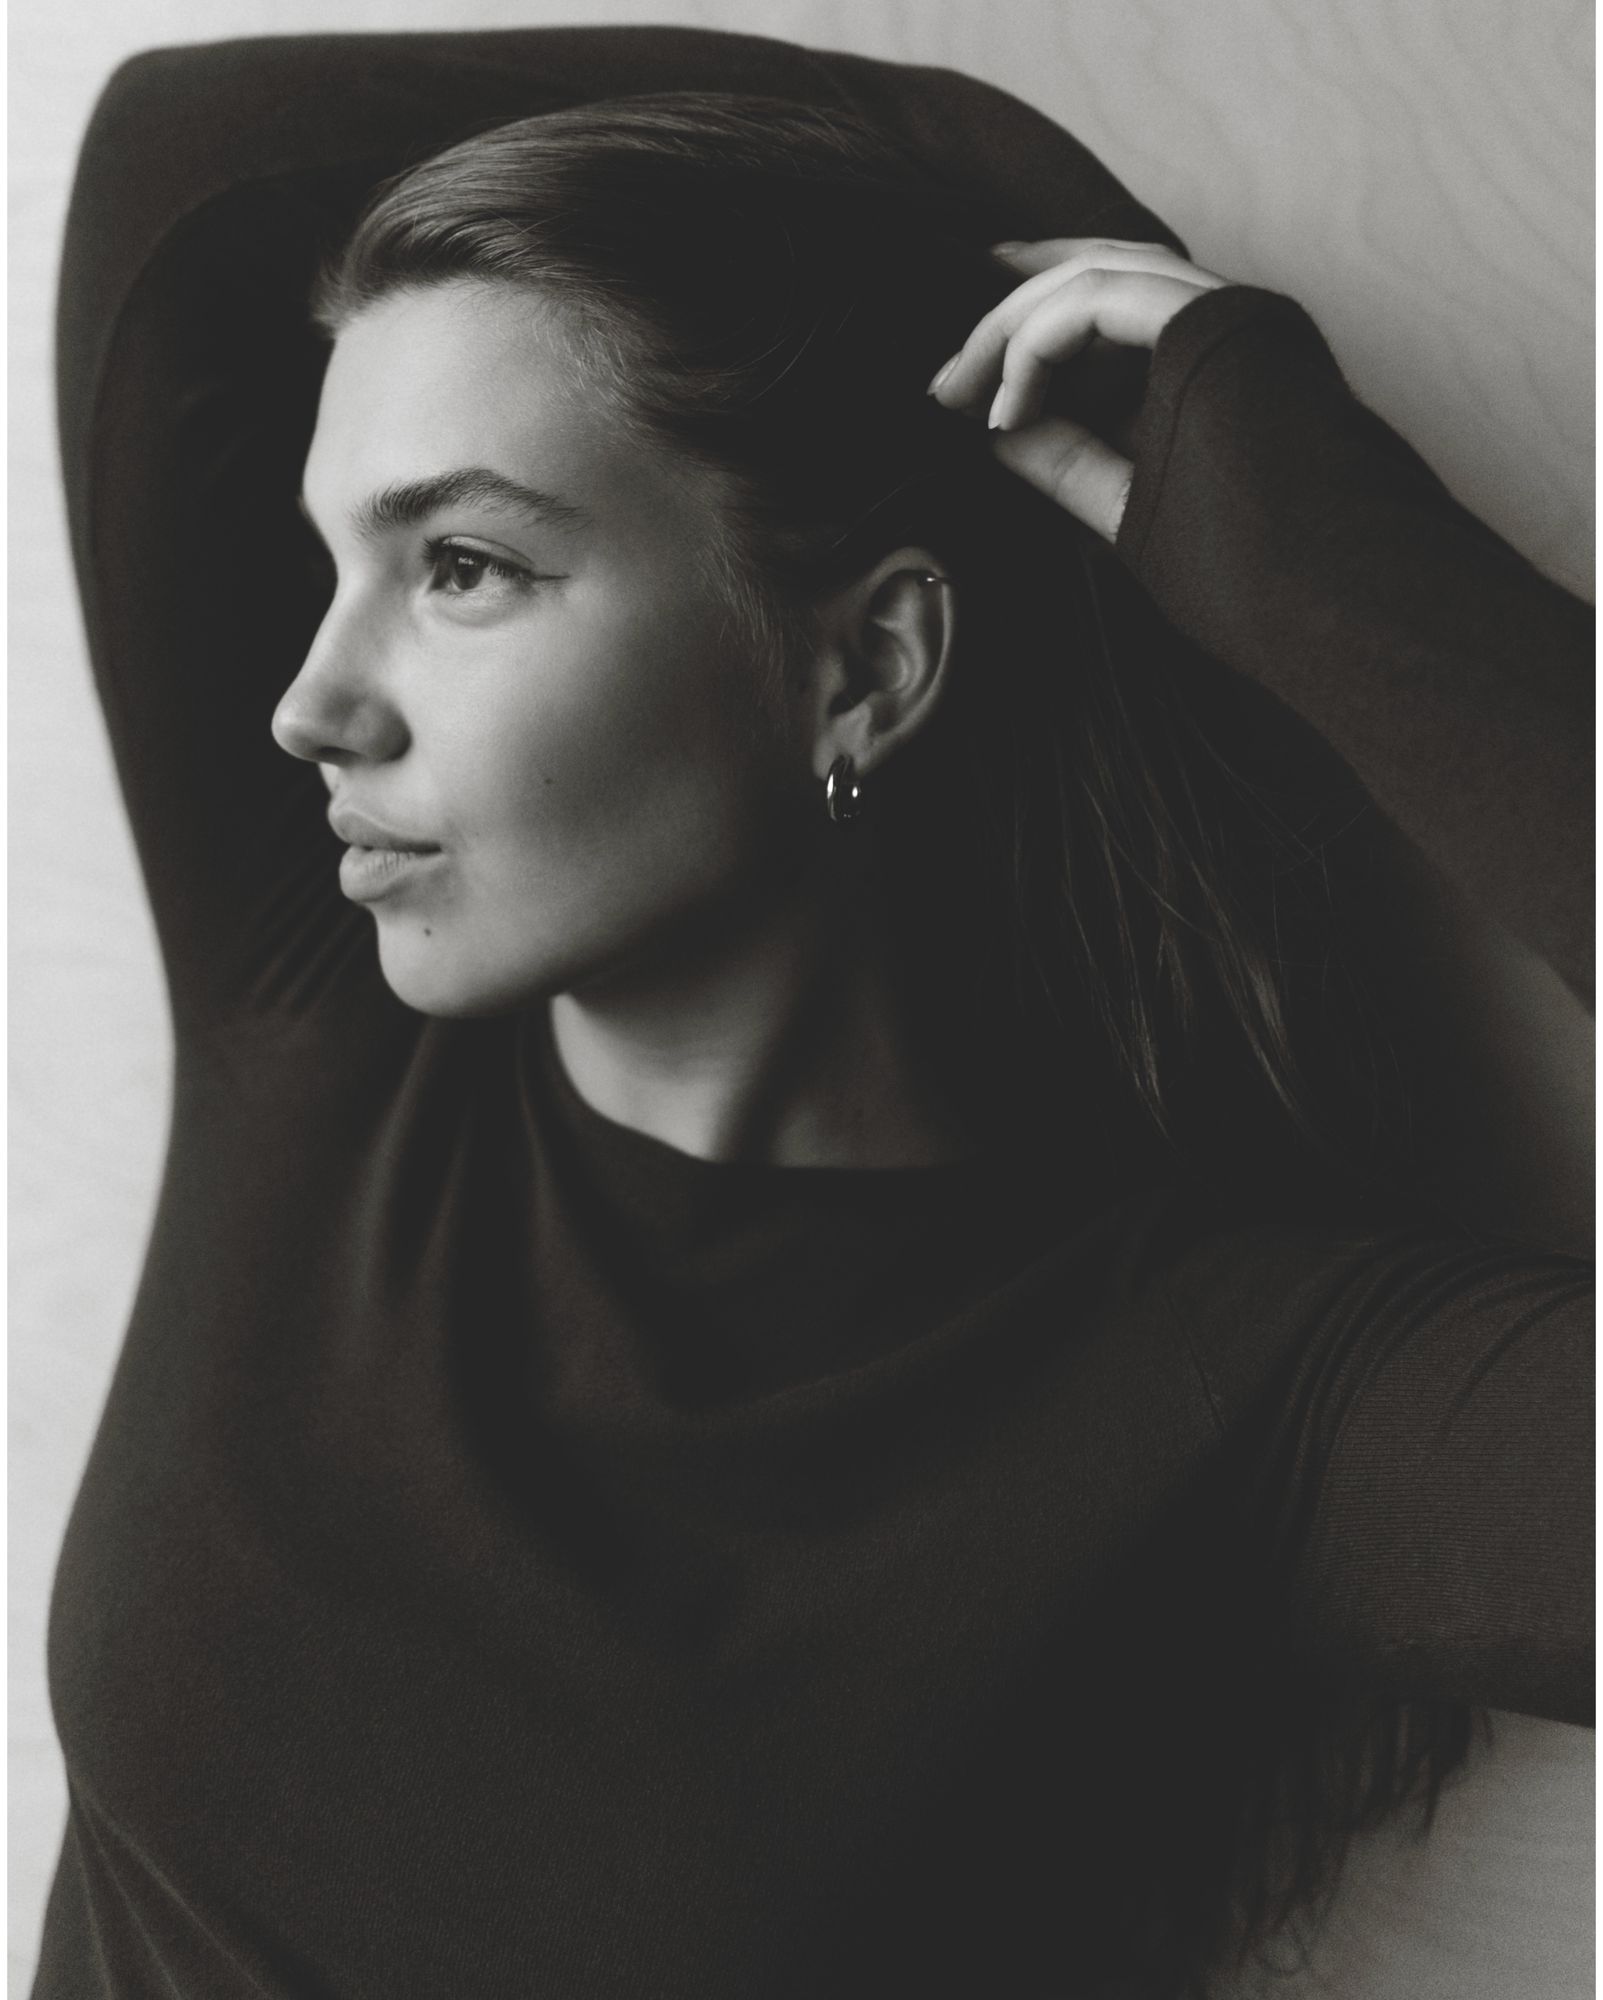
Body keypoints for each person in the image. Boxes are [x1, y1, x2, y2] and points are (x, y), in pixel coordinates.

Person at [36, 27, 1590, 2000]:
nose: (310, 703)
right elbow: (182, 152)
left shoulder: (1235, 1381)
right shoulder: (323, 1030)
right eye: (330, 560)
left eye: (462, 566)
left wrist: (1318, 561)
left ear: (865, 669)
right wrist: (970, 192)